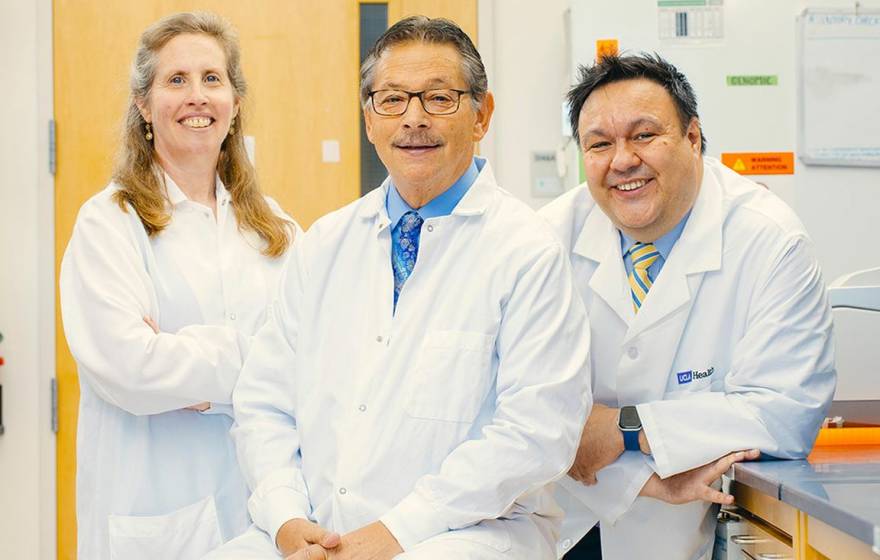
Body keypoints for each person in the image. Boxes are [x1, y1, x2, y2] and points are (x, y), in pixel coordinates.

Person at [206, 15, 592, 560]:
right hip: (319, 533)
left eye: (439, 98)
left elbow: (535, 432)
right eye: (391, 100)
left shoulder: (527, 252)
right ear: (369, 119)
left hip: (469, 535)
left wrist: (395, 532)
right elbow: (264, 403)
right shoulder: (325, 244)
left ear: (482, 115)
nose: (413, 118)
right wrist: (287, 519)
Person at [539, 53, 836, 560]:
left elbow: (783, 412)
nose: (622, 160)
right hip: (558, 521)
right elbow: (521, 408)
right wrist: (639, 474)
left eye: (644, 135)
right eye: (599, 144)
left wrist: (623, 429)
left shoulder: (769, 240)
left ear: (693, 138)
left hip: (687, 529)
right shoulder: (546, 238)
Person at [59, 12, 295, 560]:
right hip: (154, 507)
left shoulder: (275, 227)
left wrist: (186, 360)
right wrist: (259, 358)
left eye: (213, 79)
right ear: (144, 105)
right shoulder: (109, 223)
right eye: (176, 80)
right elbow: (132, 369)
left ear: (235, 102)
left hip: (263, 505)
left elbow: (314, 351)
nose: (197, 96)